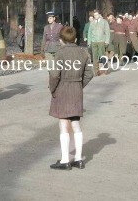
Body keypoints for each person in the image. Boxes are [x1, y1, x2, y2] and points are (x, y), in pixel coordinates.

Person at [48, 26, 93, 170]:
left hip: (62, 89)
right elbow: (89, 74)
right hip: (76, 90)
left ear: (61, 40)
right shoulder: (83, 52)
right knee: (75, 124)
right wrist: (79, 86)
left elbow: (55, 75)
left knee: (63, 125)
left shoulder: (60, 54)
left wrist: (53, 89)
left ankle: (65, 160)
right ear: (76, 39)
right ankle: (79, 159)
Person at [86, 10, 110, 75]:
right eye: (94, 15)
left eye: (96, 15)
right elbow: (89, 33)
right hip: (94, 41)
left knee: (102, 56)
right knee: (94, 56)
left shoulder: (104, 22)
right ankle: (96, 71)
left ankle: (105, 69)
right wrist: (89, 42)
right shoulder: (92, 23)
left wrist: (107, 41)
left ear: (99, 15)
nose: (95, 16)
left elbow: (107, 32)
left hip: (101, 41)